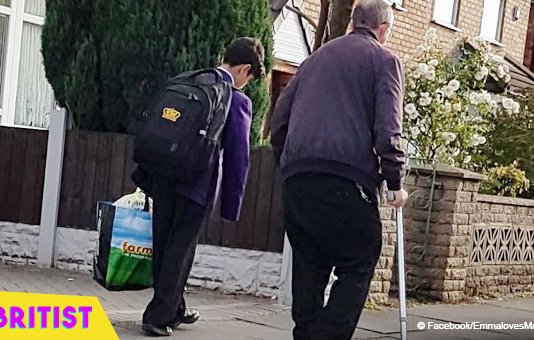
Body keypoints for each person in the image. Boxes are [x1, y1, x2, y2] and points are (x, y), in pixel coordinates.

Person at [270, 0, 409, 339]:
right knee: (358, 262)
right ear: (384, 29)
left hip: (300, 180)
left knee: (308, 265)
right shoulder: (385, 60)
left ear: (352, 22)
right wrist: (395, 181)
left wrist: (290, 166)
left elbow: (279, 121)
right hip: (347, 181)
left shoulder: (313, 60)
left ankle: (306, 333)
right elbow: (388, 130)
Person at [132, 37, 265, 337]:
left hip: (164, 176)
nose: (247, 85)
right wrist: (231, 206)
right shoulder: (236, 100)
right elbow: (238, 158)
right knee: (180, 249)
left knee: (164, 244)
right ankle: (158, 316)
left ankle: (175, 307)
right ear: (245, 69)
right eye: (250, 79)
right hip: (197, 186)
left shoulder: (190, 80)